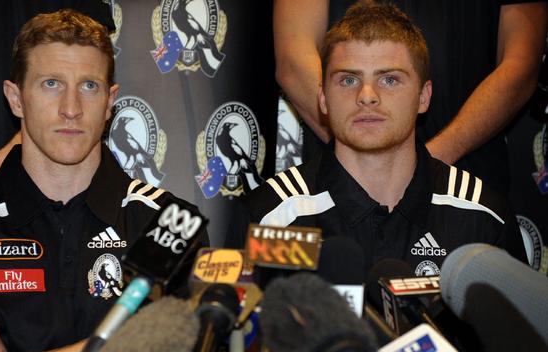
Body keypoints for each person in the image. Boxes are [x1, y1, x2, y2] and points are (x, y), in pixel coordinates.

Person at [0, 9, 204, 352]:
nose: (71, 108)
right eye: (51, 84)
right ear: (15, 99)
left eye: (89, 86)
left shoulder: (170, 223)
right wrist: (111, 351)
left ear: (110, 101)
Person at [230, 1, 526, 276]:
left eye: (389, 79)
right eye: (348, 80)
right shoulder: (270, 217)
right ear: (323, 98)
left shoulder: (483, 218)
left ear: (423, 97)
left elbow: (515, 332)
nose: (367, 96)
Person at [274, 0, 547, 195]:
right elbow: (293, 62)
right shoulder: (276, 205)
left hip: (468, 175)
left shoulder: (484, 214)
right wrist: (361, 156)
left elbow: (521, 66)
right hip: (338, 183)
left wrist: (424, 161)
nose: (368, 96)